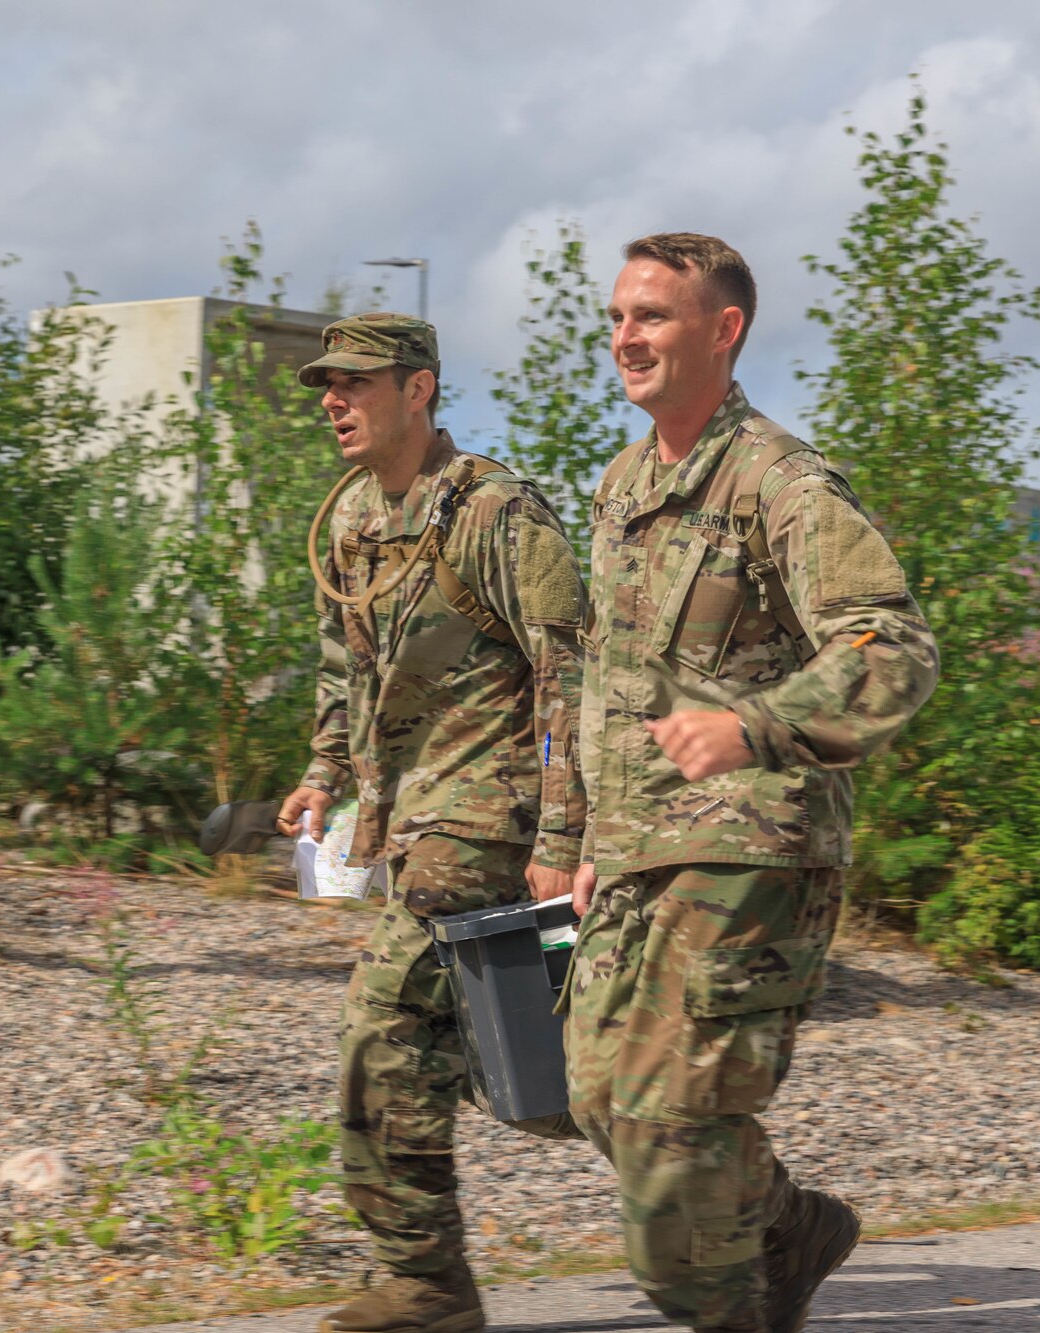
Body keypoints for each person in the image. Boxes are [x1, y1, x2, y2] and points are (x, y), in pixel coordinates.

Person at [564, 234, 940, 1333]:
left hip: (752, 850)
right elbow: (610, 681)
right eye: (619, 316)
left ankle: (729, 1299)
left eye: (654, 316)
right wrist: (588, 833)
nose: (626, 337)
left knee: (670, 1146)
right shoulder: (622, 483)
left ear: (723, 331)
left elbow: (892, 648)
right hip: (641, 846)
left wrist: (756, 724)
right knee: (593, 1095)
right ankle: (786, 1231)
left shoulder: (777, 481)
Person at [278, 312, 590, 1333]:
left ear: (417, 391)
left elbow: (569, 675)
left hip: (490, 819)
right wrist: (325, 771)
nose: (333, 400)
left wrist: (559, 836)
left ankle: (426, 1283)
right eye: (325, 383)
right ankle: (750, 1217)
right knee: (542, 1074)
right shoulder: (348, 521)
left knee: (384, 1026)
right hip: (409, 819)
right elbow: (347, 663)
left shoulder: (496, 513)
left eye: (354, 383)